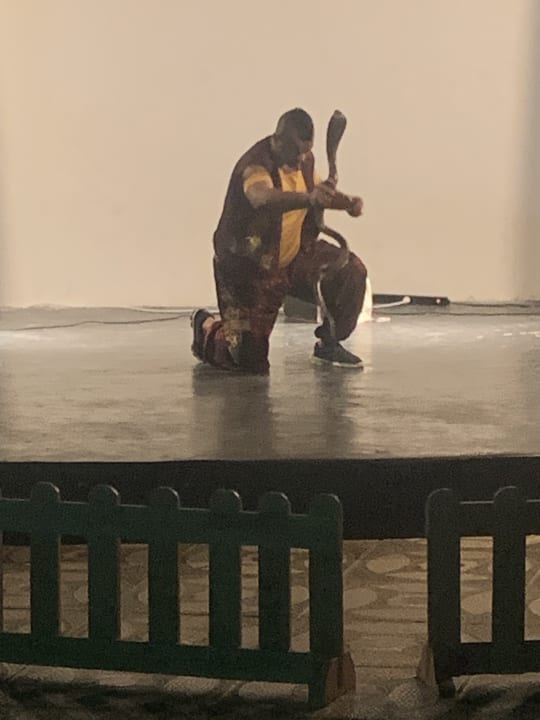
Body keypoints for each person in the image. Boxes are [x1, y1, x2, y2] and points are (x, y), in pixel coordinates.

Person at [191, 108, 368, 374]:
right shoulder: (256, 165)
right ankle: (207, 329)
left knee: (350, 271)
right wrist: (308, 199)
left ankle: (329, 342)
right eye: (296, 152)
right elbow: (261, 197)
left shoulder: (303, 160)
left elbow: (316, 192)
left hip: (294, 255)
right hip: (250, 270)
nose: (301, 159)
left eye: (306, 152)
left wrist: (347, 203)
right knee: (249, 361)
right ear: (277, 140)